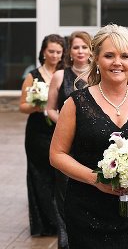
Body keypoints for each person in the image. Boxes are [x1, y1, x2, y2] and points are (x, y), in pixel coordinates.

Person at [49, 24, 128, 247]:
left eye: (125, 56)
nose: (117, 62)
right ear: (96, 59)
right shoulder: (76, 103)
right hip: (87, 211)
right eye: (109, 55)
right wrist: (96, 180)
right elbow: (57, 155)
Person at [46, 31, 92, 249]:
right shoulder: (59, 76)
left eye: (84, 47)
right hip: (66, 146)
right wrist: (67, 125)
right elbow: (50, 109)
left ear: (91, 50)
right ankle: (65, 243)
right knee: (64, 195)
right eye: (76, 47)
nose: (80, 51)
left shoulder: (98, 75)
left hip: (91, 144)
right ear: (69, 51)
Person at [19, 34, 65, 238]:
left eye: (58, 52)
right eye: (51, 51)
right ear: (43, 52)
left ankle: (61, 221)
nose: (54, 55)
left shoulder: (65, 74)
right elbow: (22, 106)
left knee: (59, 176)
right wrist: (37, 105)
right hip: (37, 132)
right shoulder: (33, 75)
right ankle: (44, 224)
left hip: (60, 129)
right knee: (39, 176)